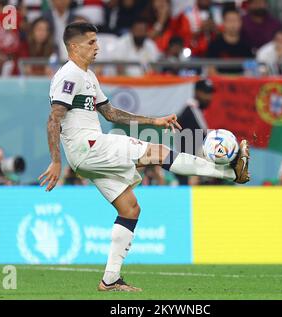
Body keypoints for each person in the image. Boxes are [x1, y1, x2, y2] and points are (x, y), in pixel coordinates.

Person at [39, 22, 250, 292]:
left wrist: (155, 121)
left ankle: (110, 280)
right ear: (73, 47)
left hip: (88, 154)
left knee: (130, 208)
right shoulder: (70, 75)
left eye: (96, 41)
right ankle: (230, 173)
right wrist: (56, 160)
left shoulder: (88, 76)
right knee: (159, 153)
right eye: (91, 43)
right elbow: (53, 118)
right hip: (88, 147)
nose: (97, 47)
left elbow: (111, 114)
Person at [175, 79, 213, 186]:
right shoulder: (192, 109)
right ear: (198, 92)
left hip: (190, 166)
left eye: (210, 93)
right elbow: (205, 139)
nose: (209, 97)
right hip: (189, 167)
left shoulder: (195, 109)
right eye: (206, 93)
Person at [206, 5, 253, 75]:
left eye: (236, 20)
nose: (233, 24)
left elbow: (250, 70)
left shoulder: (247, 45)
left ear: (241, 23)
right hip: (219, 83)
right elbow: (210, 69)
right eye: (230, 21)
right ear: (224, 22)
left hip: (242, 82)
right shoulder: (214, 45)